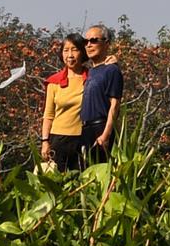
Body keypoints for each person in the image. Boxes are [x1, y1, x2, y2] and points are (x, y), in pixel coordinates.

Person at [41, 33, 89, 172]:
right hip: (58, 140)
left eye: (74, 50)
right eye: (66, 50)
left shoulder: (92, 79)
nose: (70, 55)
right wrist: (45, 142)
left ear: (83, 52)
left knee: (82, 181)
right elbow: (48, 115)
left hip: (83, 139)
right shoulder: (54, 82)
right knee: (56, 182)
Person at [80, 24, 123, 164]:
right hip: (84, 130)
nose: (89, 45)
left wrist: (106, 135)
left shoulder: (111, 70)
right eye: (85, 42)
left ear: (106, 43)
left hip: (101, 128)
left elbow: (115, 105)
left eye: (94, 40)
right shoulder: (88, 71)